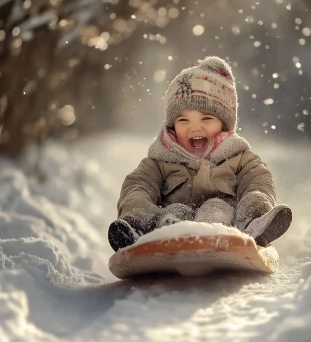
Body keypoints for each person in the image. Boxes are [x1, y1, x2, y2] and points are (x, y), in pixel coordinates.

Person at [108, 56, 292, 252]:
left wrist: (256, 208)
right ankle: (139, 233)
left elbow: (258, 181)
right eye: (184, 120)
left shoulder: (238, 156)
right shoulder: (160, 160)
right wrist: (135, 214)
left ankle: (252, 227)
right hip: (168, 223)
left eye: (206, 118)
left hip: (226, 223)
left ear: (224, 123)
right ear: (172, 125)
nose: (195, 128)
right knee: (172, 212)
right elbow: (139, 185)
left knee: (216, 208)